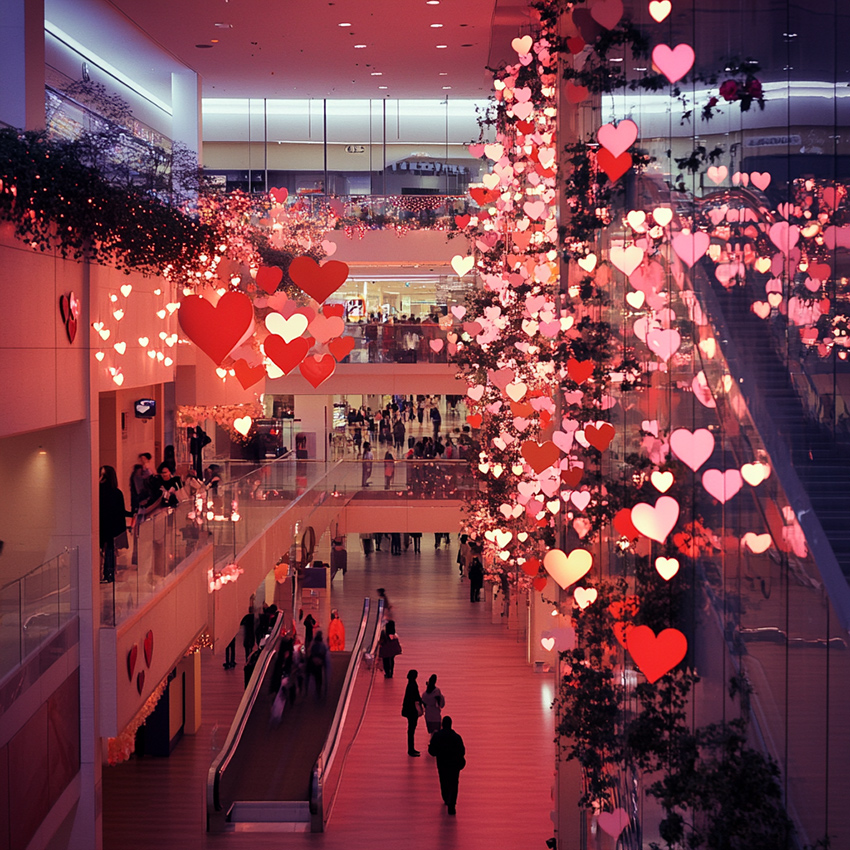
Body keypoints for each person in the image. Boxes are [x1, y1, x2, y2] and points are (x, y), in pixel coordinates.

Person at [428, 716, 466, 814]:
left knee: (444, 780)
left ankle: (446, 797)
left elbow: (432, 751)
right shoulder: (457, 737)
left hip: (442, 762)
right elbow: (462, 751)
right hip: (454, 764)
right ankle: (452, 803)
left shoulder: (437, 736)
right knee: (454, 782)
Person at [99, 465, 131, 583]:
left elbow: (120, 511)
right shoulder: (115, 492)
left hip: (106, 525)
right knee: (109, 549)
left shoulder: (100, 491)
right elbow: (121, 511)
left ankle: (107, 573)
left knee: (107, 549)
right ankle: (108, 573)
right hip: (108, 525)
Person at [401, 669, 424, 756]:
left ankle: (411, 748)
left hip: (409, 710)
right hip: (412, 711)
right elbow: (416, 697)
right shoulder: (413, 685)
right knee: (411, 730)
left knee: (411, 730)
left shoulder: (409, 685)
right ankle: (411, 749)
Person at [307, 631, 330, 699]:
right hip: (320, 663)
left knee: (317, 678)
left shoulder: (314, 645)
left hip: (315, 663)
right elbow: (324, 654)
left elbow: (311, 653)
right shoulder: (322, 646)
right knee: (320, 678)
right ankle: (320, 691)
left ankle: (317, 691)